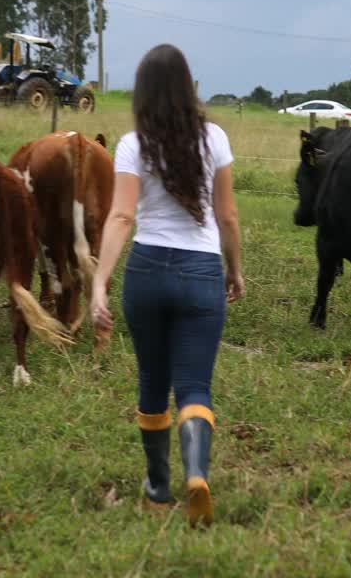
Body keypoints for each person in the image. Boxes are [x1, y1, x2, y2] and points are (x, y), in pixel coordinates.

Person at [91, 44, 244, 527]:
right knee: (195, 386)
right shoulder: (214, 138)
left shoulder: (132, 144)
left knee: (152, 384)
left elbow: (121, 216)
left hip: (147, 271)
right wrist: (234, 269)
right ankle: (196, 474)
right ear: (187, 87)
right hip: (201, 273)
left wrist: (99, 282)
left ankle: (158, 488)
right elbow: (227, 216)